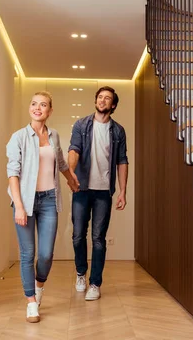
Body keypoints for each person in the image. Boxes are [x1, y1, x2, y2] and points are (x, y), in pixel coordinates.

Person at [6, 91, 79, 323]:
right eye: (34, 104)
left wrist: (70, 178)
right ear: (30, 108)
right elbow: (13, 174)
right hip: (25, 201)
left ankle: (39, 288)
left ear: (50, 111)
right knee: (27, 254)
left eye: (43, 105)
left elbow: (60, 161)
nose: (38, 108)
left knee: (46, 254)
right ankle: (30, 303)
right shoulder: (18, 137)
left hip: (49, 200)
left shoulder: (54, 135)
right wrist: (18, 206)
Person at [68, 86, 129, 301]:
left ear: (113, 105)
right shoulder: (81, 124)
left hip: (104, 191)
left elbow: (122, 161)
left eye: (107, 98)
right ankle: (80, 273)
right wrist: (71, 174)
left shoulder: (118, 131)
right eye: (100, 97)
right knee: (77, 237)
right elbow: (74, 149)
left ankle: (95, 283)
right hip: (81, 189)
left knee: (98, 239)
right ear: (96, 101)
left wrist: (122, 191)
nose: (102, 100)